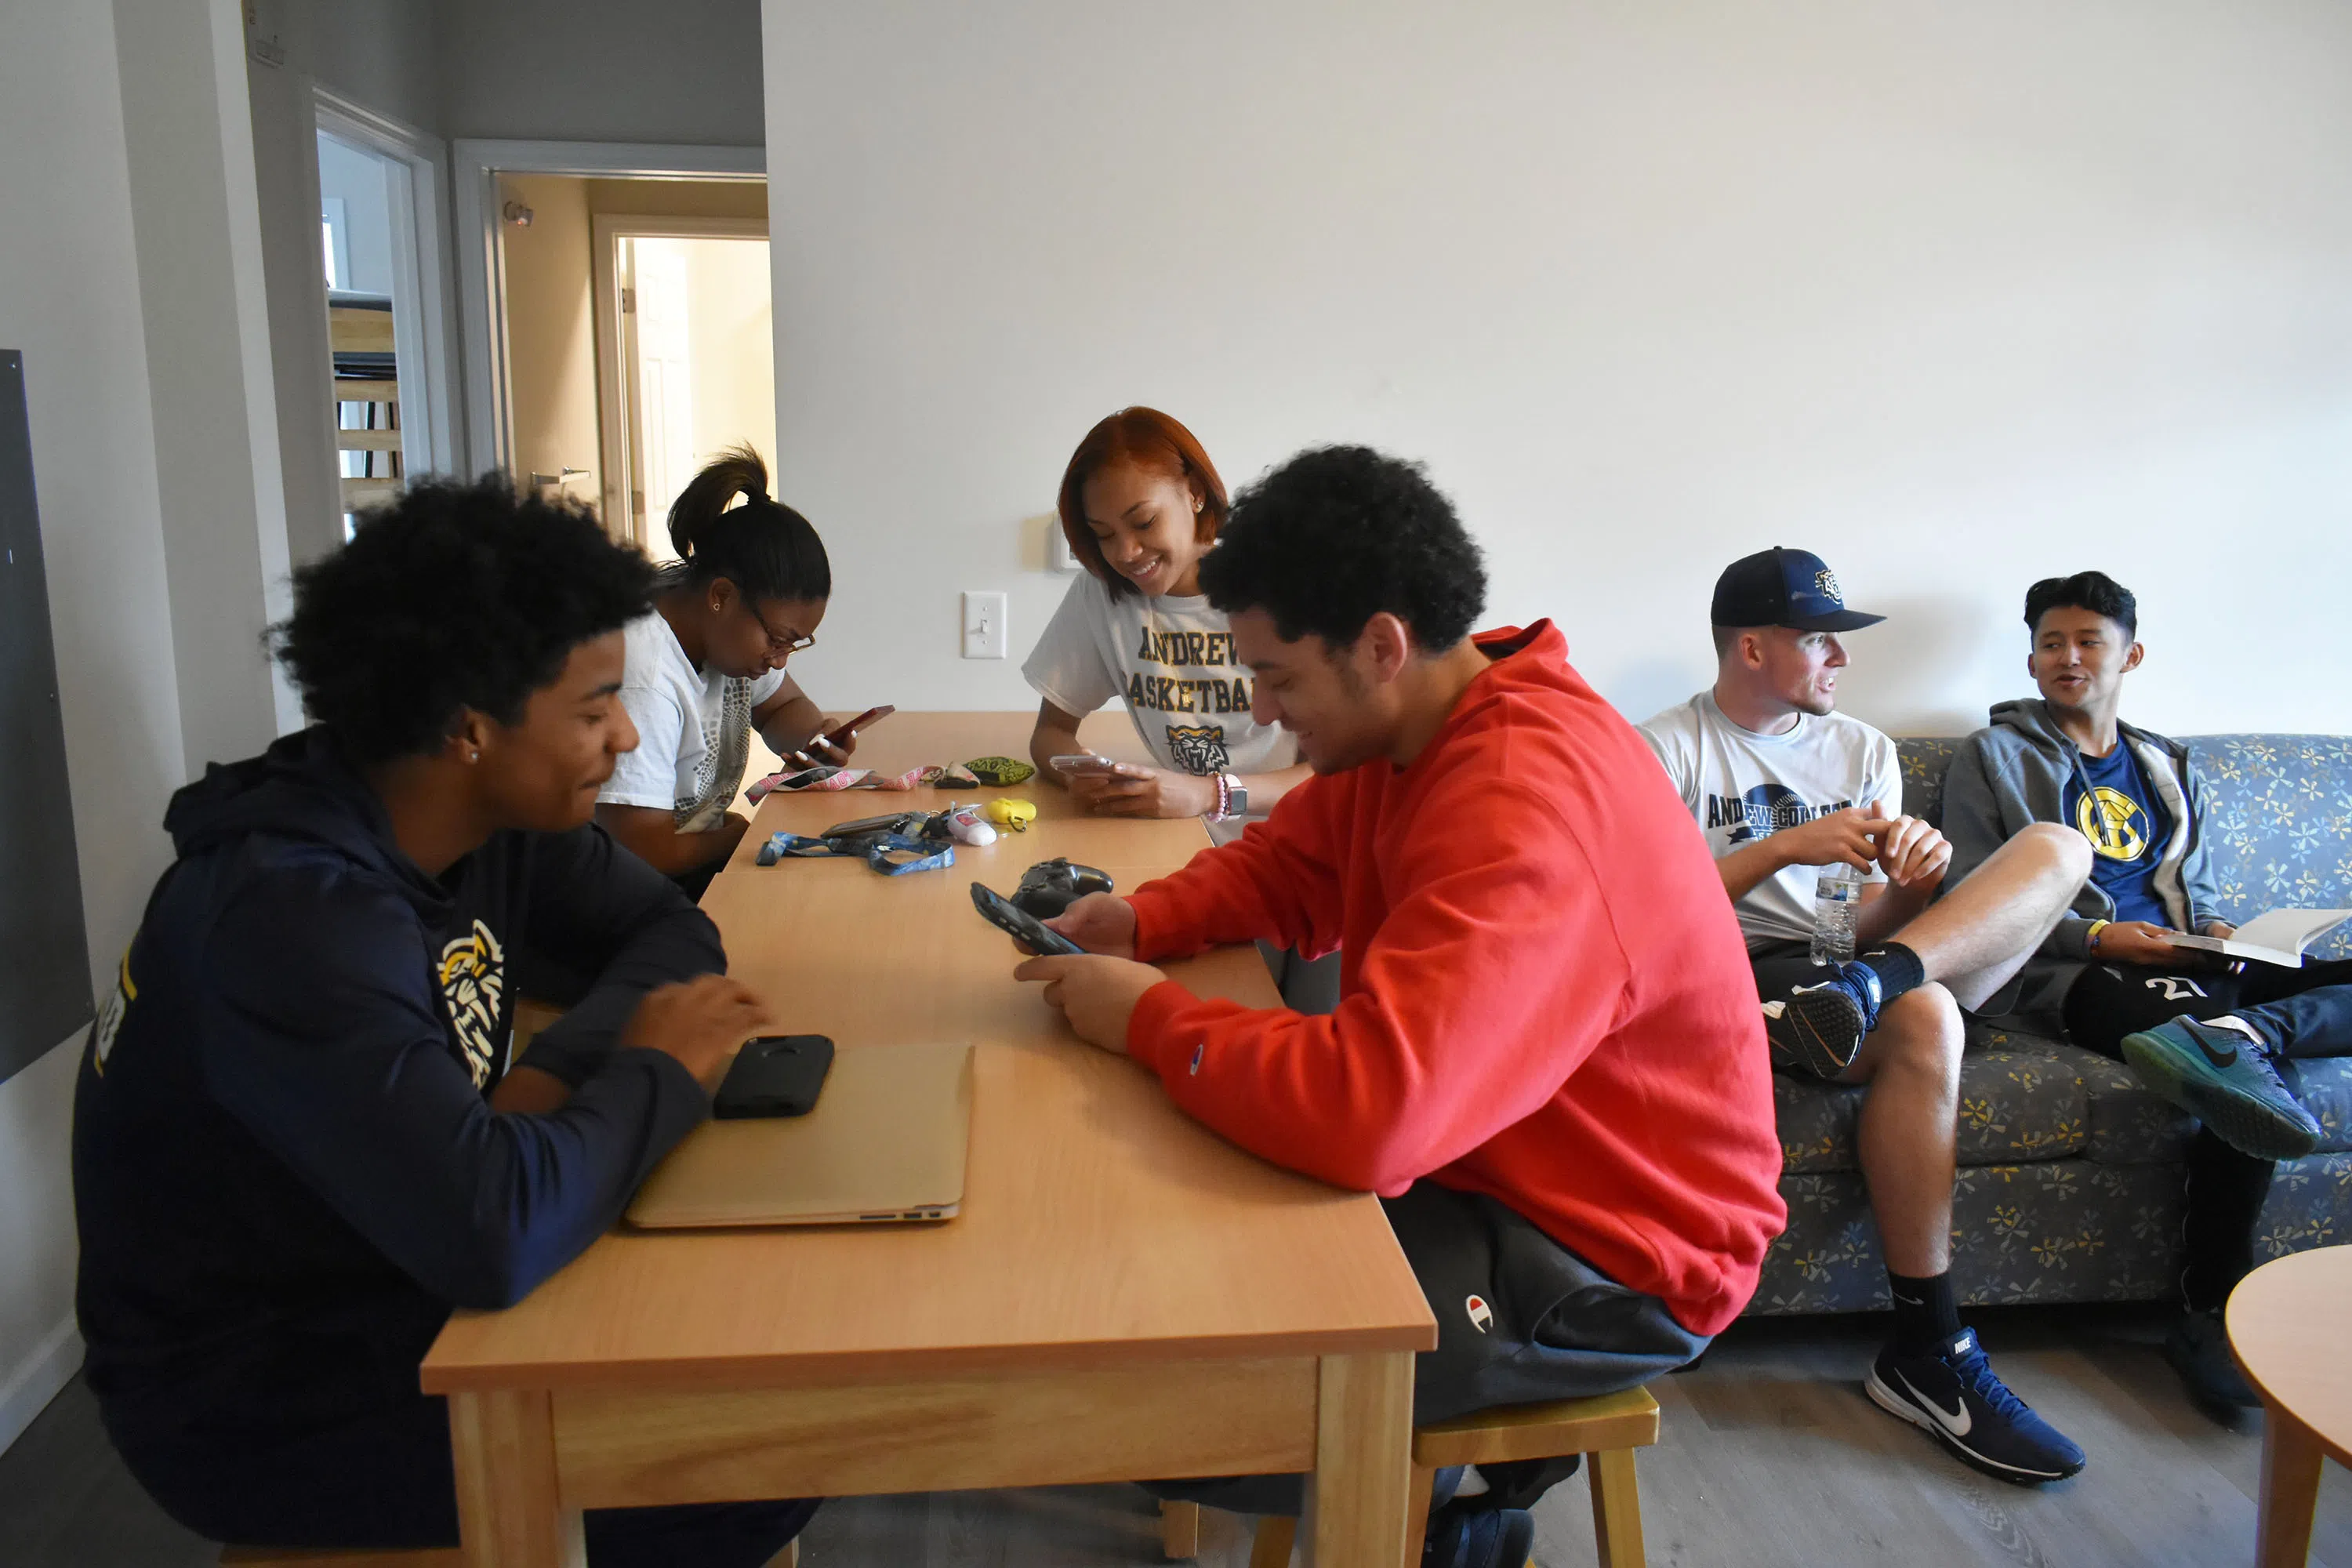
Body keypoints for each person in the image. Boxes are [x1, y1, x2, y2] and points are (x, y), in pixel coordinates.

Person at [1012, 446, 1786, 1567]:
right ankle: (1464, 1504)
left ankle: (1444, 1519)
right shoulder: (1419, 723)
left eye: (1279, 679)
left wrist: (1147, 1019)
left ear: (1380, 645)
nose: (1264, 711)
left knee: (1160, 1375)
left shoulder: (1527, 801)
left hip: (1614, 1256)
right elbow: (1292, 868)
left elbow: (1372, 1117)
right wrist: (1144, 922)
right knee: (1161, 1258)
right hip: (1487, 1163)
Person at [71, 477, 816, 1564]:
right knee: (757, 1462)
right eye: (591, 708)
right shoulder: (293, 920)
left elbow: (672, 937)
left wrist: (554, 1077)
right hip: (259, 1396)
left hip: (391, 1249)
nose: (620, 739)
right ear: (470, 728)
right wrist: (651, 1069)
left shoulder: (490, 819)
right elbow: (495, 1234)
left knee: (751, 1344)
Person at [1638, 546, 2094, 1485]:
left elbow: (1845, 919)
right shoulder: (1665, 748)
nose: (1842, 662)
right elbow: (1647, 913)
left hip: (1855, 965)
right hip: (1732, 970)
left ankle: (1871, 987)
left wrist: (1906, 886)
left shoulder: (1865, 750)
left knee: (2058, 846)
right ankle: (1929, 1346)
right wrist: (1785, 846)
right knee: (1928, 1021)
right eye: (1823, 641)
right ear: (1754, 646)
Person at [1941, 570, 2352, 1416]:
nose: (2069, 656)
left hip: (2188, 959)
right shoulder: (1994, 757)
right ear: (2030, 657)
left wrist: (2220, 931)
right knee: (2228, 1083)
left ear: (2131, 653)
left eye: (2089, 639)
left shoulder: (2164, 760)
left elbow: (2185, 886)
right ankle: (2209, 1307)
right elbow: (1973, 898)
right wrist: (2094, 935)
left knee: (2246, 1021)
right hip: (2078, 970)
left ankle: (2249, 1024)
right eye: (2052, 642)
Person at [1022, 408, 1312, 839]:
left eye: (1144, 522)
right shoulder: (1102, 594)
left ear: (1195, 493)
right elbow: (1051, 733)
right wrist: (1086, 776)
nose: (1125, 552)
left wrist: (1211, 795)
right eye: (1103, 534)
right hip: (1184, 840)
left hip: (1292, 845)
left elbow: (1334, 776)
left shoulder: (1277, 588)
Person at [596, 446, 854, 898]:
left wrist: (815, 739)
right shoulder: (646, 676)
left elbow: (783, 708)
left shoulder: (725, 638)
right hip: (625, 895)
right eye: (778, 639)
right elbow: (641, 849)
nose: (780, 659)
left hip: (682, 871)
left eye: (795, 644)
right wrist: (736, 830)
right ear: (722, 595)